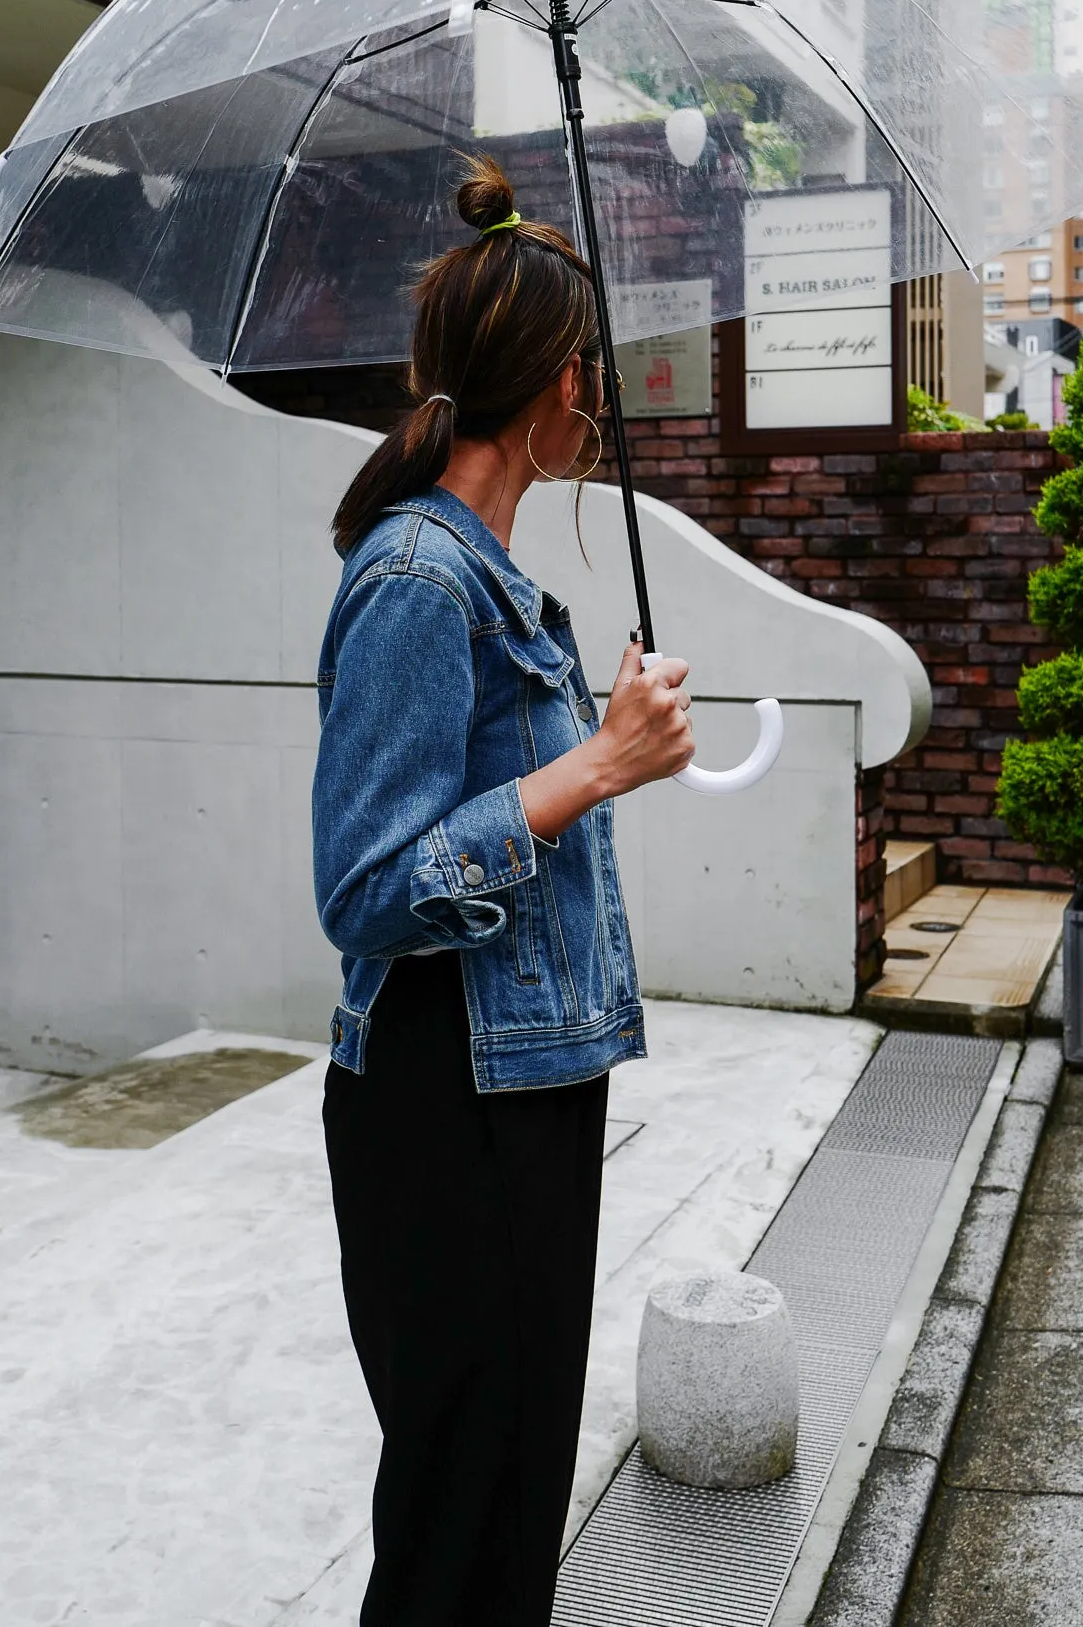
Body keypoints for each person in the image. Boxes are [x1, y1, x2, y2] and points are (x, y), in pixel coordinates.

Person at [313, 158, 694, 1627]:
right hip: (443, 1105)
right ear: (544, 383)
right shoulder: (420, 578)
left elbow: (499, 820)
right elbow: (364, 887)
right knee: (463, 1524)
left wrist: (604, 745)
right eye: (591, 369)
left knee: (506, 1499)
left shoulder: (487, 573)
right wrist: (594, 766)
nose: (601, 397)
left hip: (516, 1089)